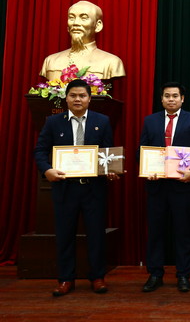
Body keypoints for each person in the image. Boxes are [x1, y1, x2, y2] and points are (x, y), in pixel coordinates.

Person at [33, 79, 117, 297]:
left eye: (82, 95)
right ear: (66, 98)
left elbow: (108, 152)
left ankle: (97, 277)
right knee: (64, 234)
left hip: (93, 189)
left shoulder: (102, 121)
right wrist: (47, 170)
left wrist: (111, 169)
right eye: (73, 95)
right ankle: (65, 279)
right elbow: (40, 151)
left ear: (89, 98)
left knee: (96, 235)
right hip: (65, 188)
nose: (77, 99)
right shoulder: (53, 122)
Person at [139, 82, 190, 293]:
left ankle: (184, 275)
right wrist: (146, 169)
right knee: (155, 232)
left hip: (182, 185)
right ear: (161, 99)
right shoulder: (150, 121)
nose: (171, 99)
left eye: (175, 96)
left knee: (183, 231)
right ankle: (155, 274)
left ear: (182, 99)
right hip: (156, 186)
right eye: (167, 96)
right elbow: (142, 149)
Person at [39, 1, 125, 81]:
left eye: (83, 18)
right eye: (71, 18)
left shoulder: (111, 62)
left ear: (98, 26)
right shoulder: (51, 61)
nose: (75, 23)